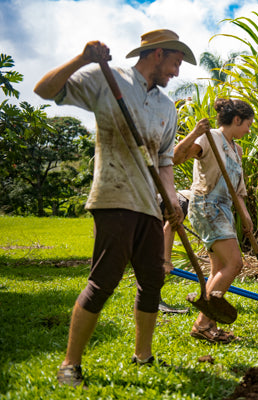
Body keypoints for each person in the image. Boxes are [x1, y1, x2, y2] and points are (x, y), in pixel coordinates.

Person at [34, 29, 196, 387]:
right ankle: (70, 364)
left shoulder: (167, 107)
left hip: (149, 207)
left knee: (152, 281)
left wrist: (170, 200)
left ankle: (143, 355)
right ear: (156, 54)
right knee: (103, 281)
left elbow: (165, 161)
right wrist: (82, 59)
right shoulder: (106, 79)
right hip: (114, 197)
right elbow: (44, 90)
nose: (177, 72)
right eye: (175, 62)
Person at [172, 98, 254, 343]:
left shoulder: (236, 150)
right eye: (247, 124)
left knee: (219, 269)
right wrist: (195, 133)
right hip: (207, 206)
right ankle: (202, 323)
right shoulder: (210, 139)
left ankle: (209, 325)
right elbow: (177, 158)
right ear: (236, 120)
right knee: (235, 264)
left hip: (225, 209)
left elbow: (238, 191)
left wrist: (246, 217)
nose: (249, 130)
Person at [158, 190, 191, 314]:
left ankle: (154, 299)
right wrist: (165, 261)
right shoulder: (182, 203)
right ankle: (155, 301)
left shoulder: (178, 198)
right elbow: (169, 228)